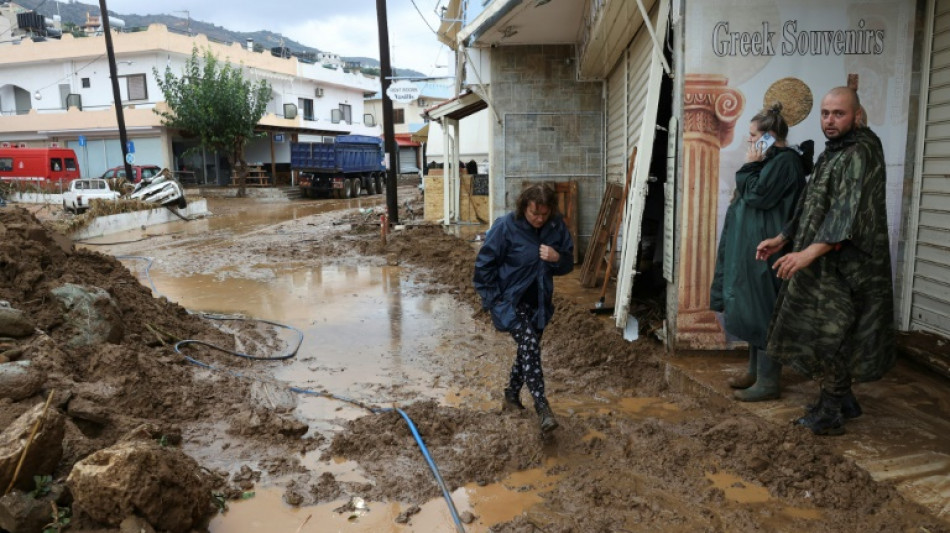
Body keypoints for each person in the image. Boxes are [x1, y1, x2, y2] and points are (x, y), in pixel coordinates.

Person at [756, 87, 895, 436]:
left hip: (849, 267)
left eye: (839, 114)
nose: (830, 121)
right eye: (825, 113)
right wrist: (783, 238)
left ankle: (831, 412)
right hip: (825, 259)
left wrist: (806, 253)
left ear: (857, 116)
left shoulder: (861, 152)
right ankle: (844, 400)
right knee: (830, 329)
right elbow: (811, 200)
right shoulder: (835, 150)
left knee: (836, 333)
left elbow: (847, 215)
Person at [711, 103, 809, 402]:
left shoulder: (785, 162)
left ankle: (768, 382)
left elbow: (757, 195)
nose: (750, 140)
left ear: (769, 136)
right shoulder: (771, 160)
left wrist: (750, 165)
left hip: (769, 252)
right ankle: (755, 372)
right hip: (755, 249)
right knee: (752, 309)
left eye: (754, 135)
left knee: (764, 311)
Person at [473, 184, 574, 434]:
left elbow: (568, 263)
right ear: (524, 208)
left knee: (527, 351)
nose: (539, 219)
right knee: (529, 345)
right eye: (534, 213)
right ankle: (542, 407)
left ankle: (511, 394)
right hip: (510, 302)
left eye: (544, 214)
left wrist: (557, 258)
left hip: (539, 302)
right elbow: (483, 266)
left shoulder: (556, 227)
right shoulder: (506, 227)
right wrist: (494, 301)